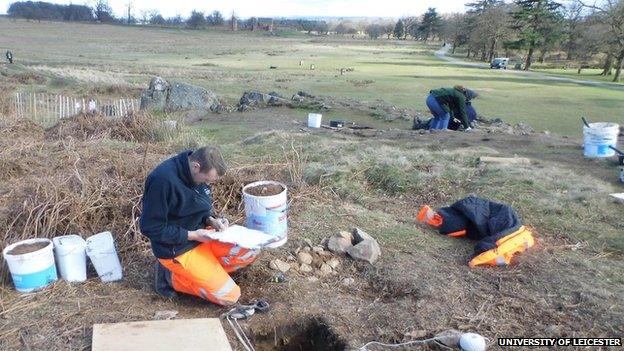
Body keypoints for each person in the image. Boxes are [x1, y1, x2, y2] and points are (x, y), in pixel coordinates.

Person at [140, 147, 260, 305]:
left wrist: (212, 220)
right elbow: (150, 227)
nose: (207, 184)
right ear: (196, 166)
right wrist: (193, 235)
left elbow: (199, 206)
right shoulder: (162, 181)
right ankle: (170, 277)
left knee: (251, 250)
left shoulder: (197, 173)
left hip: (204, 237)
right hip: (177, 248)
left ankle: (205, 272)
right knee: (229, 296)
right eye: (206, 181)